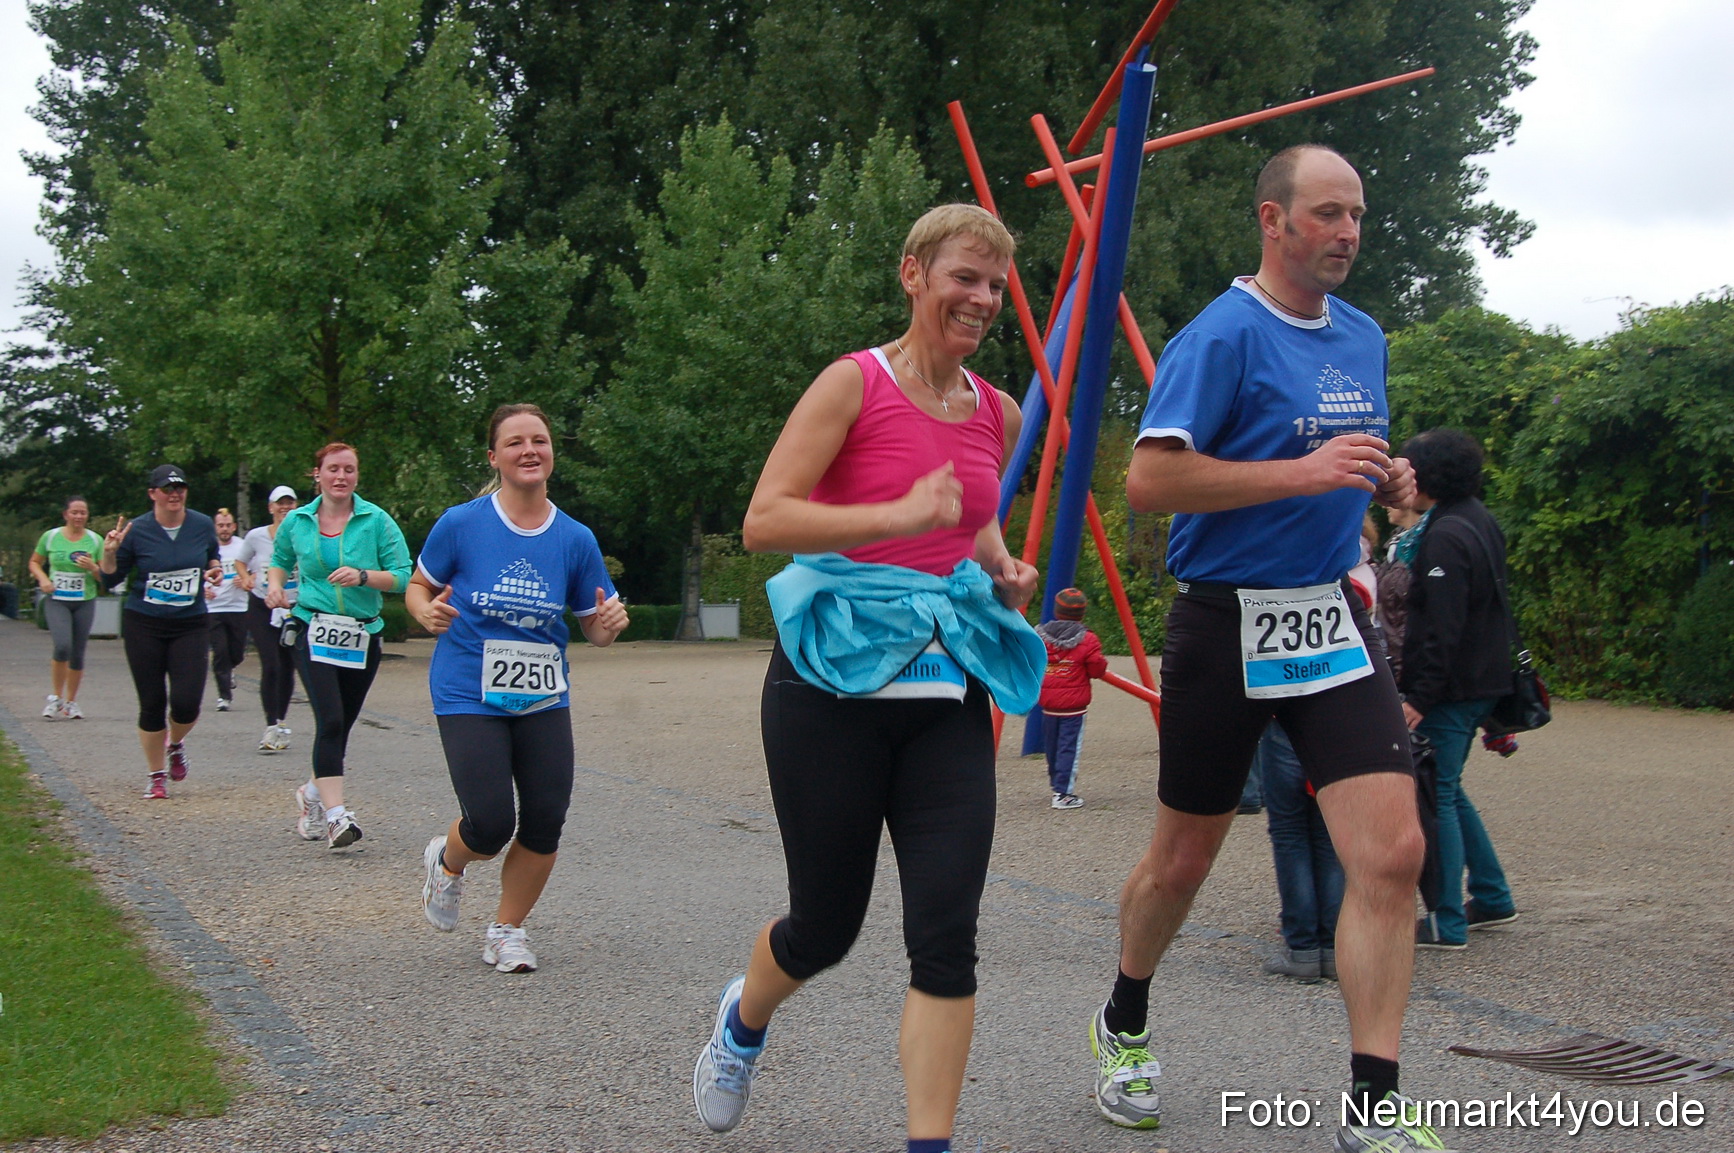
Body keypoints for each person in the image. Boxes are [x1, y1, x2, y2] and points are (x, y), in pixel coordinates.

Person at [1105, 144, 1452, 1153]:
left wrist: (1378, 487)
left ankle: (1374, 1104)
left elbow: (1345, 463)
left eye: (1357, 215)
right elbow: (1151, 485)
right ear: (1273, 219)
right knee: (1184, 857)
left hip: (1326, 614)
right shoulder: (1218, 337)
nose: (1347, 233)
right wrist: (1302, 474)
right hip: (1223, 618)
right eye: (1328, 214)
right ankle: (1123, 1016)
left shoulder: (1364, 337)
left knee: (1393, 854)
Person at [691, 204, 1043, 1153]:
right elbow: (766, 518)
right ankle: (743, 1020)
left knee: (946, 934)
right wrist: (891, 511)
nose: (981, 298)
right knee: (826, 925)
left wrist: (1002, 571)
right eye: (964, 276)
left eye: (995, 285)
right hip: (828, 691)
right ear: (914, 274)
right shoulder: (855, 383)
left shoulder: (999, 413)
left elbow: (968, 527)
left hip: (945, 696)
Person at [408, 403, 629, 974]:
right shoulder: (462, 523)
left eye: (539, 440)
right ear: (494, 457)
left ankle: (506, 930)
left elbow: (593, 623)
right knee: (489, 822)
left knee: (545, 817)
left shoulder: (575, 538)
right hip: (467, 689)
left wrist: (603, 629)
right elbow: (419, 586)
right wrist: (423, 612)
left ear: (552, 451)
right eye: (514, 442)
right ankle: (449, 860)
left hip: (542, 694)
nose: (529, 450)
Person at [1398, 429, 1519, 950]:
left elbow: (1442, 627)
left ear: (1427, 476)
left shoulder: (1444, 534)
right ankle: (1491, 895)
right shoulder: (1479, 518)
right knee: (1449, 787)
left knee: (1437, 797)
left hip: (1453, 686)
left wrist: (1419, 698)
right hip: (1486, 679)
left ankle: (1447, 921)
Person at [267, 443, 411, 850]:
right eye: (333, 469)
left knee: (341, 725)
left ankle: (312, 794)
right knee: (329, 719)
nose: (341, 476)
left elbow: (404, 575)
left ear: (356, 476)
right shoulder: (297, 520)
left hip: (362, 635)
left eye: (349, 469)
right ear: (318, 474)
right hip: (313, 628)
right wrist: (276, 586)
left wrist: (365, 576)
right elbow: (279, 559)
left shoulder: (377, 521)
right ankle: (336, 816)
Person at [99, 466, 223, 798]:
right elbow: (109, 578)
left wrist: (214, 570)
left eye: (180, 488)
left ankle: (176, 743)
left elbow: (212, 556)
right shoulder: (136, 530)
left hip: (190, 623)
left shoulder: (200, 524)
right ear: (152, 493)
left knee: (187, 704)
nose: (174, 494)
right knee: (152, 702)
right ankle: (156, 775)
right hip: (145, 623)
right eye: (167, 489)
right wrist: (109, 553)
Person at [238, 485, 303, 752]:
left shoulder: (306, 535)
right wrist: (245, 578)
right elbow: (240, 562)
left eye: (290, 503)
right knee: (272, 664)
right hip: (262, 605)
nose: (285, 508)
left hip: (294, 606)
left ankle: (280, 722)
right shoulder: (256, 536)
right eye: (280, 504)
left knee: (288, 666)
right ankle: (270, 724)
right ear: (271, 508)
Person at [29, 495, 103, 719]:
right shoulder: (51, 537)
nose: (79, 516)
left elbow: (105, 577)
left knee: (78, 653)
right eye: (75, 512)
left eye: (83, 513)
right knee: (62, 646)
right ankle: (55, 698)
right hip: (57, 600)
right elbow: (34, 562)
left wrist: (92, 567)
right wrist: (43, 579)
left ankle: (71, 702)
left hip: (84, 601)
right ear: (65, 515)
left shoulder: (95, 540)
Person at [1036, 586, 1107, 809]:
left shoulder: (1041, 636)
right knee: (1069, 747)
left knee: (1053, 746)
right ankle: (1063, 793)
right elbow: (1096, 668)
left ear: (1057, 611)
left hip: (1049, 703)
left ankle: (1056, 784)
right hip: (1073, 706)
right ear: (1082, 614)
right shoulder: (1087, 639)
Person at [205, 508, 252, 712]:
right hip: (213, 608)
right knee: (220, 652)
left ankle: (230, 670)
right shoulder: (208, 548)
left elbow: (256, 571)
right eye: (220, 525)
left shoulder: (242, 547)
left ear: (233, 526)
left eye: (228, 525)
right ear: (215, 527)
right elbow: (194, 572)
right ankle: (224, 696)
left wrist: (246, 580)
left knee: (237, 652)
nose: (224, 529)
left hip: (238, 606)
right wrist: (202, 590)